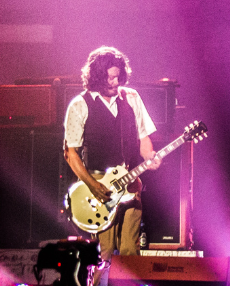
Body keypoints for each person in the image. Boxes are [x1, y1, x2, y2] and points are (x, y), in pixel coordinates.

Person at [64, 47, 159, 258]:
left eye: (118, 77)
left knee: (130, 250)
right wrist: (92, 185)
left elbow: (143, 137)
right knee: (103, 253)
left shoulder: (132, 97)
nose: (115, 83)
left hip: (130, 183)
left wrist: (149, 155)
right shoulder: (80, 105)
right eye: (109, 78)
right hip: (99, 187)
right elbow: (71, 153)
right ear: (96, 77)